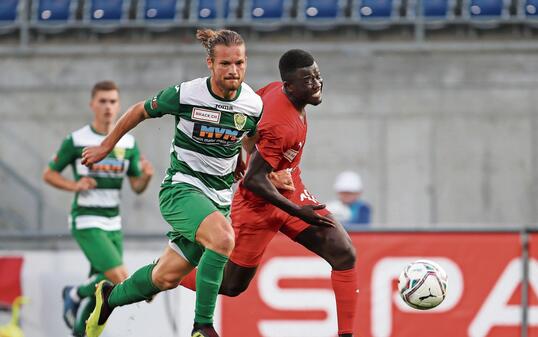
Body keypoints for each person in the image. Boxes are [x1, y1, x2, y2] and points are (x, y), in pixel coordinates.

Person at [81, 29, 265, 337]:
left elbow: (248, 137)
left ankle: (108, 298)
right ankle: (202, 327)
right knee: (223, 240)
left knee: (165, 278)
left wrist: (243, 162)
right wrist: (107, 146)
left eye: (239, 63)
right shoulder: (187, 94)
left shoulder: (252, 104)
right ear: (210, 63)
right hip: (182, 189)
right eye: (225, 64)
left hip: (219, 198)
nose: (233, 70)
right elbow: (140, 109)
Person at [180, 49, 358, 337]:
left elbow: (247, 116)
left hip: (290, 191)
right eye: (308, 80)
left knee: (343, 252)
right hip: (257, 206)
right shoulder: (281, 124)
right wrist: (296, 211)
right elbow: (252, 181)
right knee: (232, 286)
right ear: (290, 86)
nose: (317, 83)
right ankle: (167, 273)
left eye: (317, 76)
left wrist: (242, 149)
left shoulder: (274, 92)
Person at [42, 80, 154, 336]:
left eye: (112, 101)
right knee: (119, 278)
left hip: (113, 222)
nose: (108, 107)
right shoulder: (77, 139)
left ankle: (80, 331)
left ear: (119, 105)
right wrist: (75, 185)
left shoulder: (128, 143)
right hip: (86, 220)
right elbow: (49, 174)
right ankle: (73, 292)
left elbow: (136, 187)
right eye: (102, 101)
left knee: (102, 289)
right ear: (92, 104)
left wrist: (146, 176)